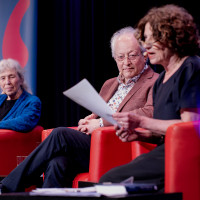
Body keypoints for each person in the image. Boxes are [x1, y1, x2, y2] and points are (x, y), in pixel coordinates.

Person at [0, 27, 158, 193]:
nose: (126, 62)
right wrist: (89, 119)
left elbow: (149, 113)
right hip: (93, 144)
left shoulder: (153, 81)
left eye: (132, 55)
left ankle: (9, 185)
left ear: (143, 54)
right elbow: (99, 113)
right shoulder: (109, 84)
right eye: (120, 57)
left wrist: (101, 123)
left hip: (119, 145)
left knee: (60, 134)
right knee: (58, 162)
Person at [99, 4, 200, 191]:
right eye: (145, 40)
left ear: (173, 38)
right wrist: (139, 134)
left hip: (184, 154)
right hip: (165, 150)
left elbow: (190, 129)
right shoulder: (162, 79)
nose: (146, 47)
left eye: (153, 40)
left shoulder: (190, 67)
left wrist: (141, 121)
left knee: (110, 180)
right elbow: (164, 131)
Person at [0, 58, 41, 132]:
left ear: (21, 79)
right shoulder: (1, 99)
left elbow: (25, 122)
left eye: (12, 77)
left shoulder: (32, 101)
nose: (7, 82)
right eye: (3, 78)